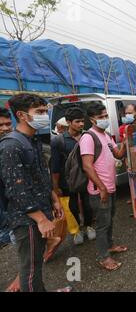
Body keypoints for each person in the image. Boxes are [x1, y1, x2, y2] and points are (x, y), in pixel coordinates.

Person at [0, 94, 71, 292]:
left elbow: (41, 175)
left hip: (41, 210)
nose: (45, 115)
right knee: (30, 269)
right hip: (27, 220)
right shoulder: (10, 146)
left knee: (36, 263)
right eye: (39, 112)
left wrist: (54, 199)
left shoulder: (32, 140)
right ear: (22, 115)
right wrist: (41, 219)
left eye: (45, 111)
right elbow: (17, 190)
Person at [80, 103, 128, 271]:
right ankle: (103, 257)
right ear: (92, 119)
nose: (105, 119)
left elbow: (118, 154)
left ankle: (109, 246)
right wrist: (101, 188)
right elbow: (87, 166)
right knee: (102, 224)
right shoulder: (88, 137)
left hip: (110, 187)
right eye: (101, 117)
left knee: (109, 220)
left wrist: (125, 140)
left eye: (106, 116)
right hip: (99, 190)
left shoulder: (106, 135)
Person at [51, 107, 94, 247]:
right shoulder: (59, 141)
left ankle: (88, 226)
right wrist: (56, 187)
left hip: (87, 178)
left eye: (82, 121)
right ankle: (76, 231)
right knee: (72, 206)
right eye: (77, 122)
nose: (81, 124)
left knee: (88, 205)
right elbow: (55, 166)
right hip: (68, 181)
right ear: (68, 122)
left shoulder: (87, 137)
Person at [0, 107, 20, 292]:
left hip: (9, 208)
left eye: (8, 124)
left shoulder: (10, 146)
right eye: (1, 125)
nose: (6, 128)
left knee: (18, 242)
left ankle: (21, 277)